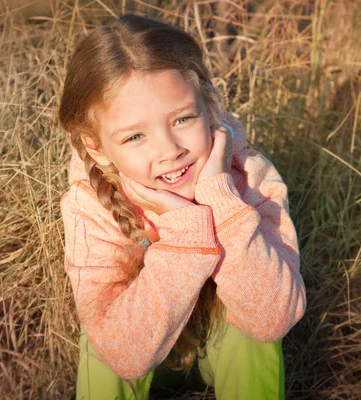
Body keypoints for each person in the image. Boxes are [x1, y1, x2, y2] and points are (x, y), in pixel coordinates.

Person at [58, 14, 306, 400]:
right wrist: (184, 228)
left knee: (254, 304)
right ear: (95, 145)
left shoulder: (249, 176)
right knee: (104, 341)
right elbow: (124, 356)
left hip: (226, 347)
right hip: (145, 351)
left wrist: (219, 196)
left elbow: (273, 319)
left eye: (183, 119)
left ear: (209, 108)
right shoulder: (88, 204)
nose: (170, 151)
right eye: (136, 136)